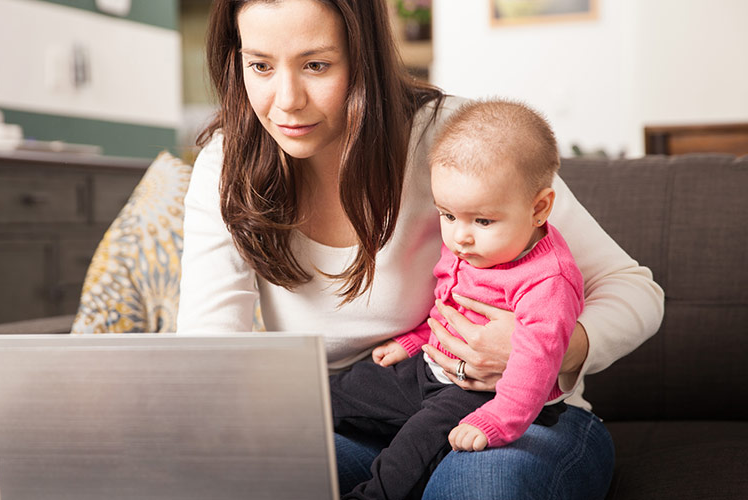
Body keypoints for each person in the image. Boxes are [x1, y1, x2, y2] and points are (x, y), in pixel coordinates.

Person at [177, 0, 665, 498]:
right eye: (260, 65)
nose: (286, 100)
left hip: (507, 417)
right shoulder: (225, 164)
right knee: (254, 479)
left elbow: (634, 290)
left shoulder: (453, 137)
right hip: (357, 420)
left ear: (362, 57)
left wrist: (547, 347)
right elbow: (210, 352)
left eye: (316, 65)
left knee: (482, 488)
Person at [329, 98, 584, 499]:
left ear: (539, 208)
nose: (460, 236)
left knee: (410, 454)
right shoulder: (473, 246)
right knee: (334, 393)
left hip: (481, 396)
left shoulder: (548, 281)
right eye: (447, 215)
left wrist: (497, 422)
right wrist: (415, 340)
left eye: (482, 221)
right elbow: (450, 305)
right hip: (429, 367)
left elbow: (536, 366)